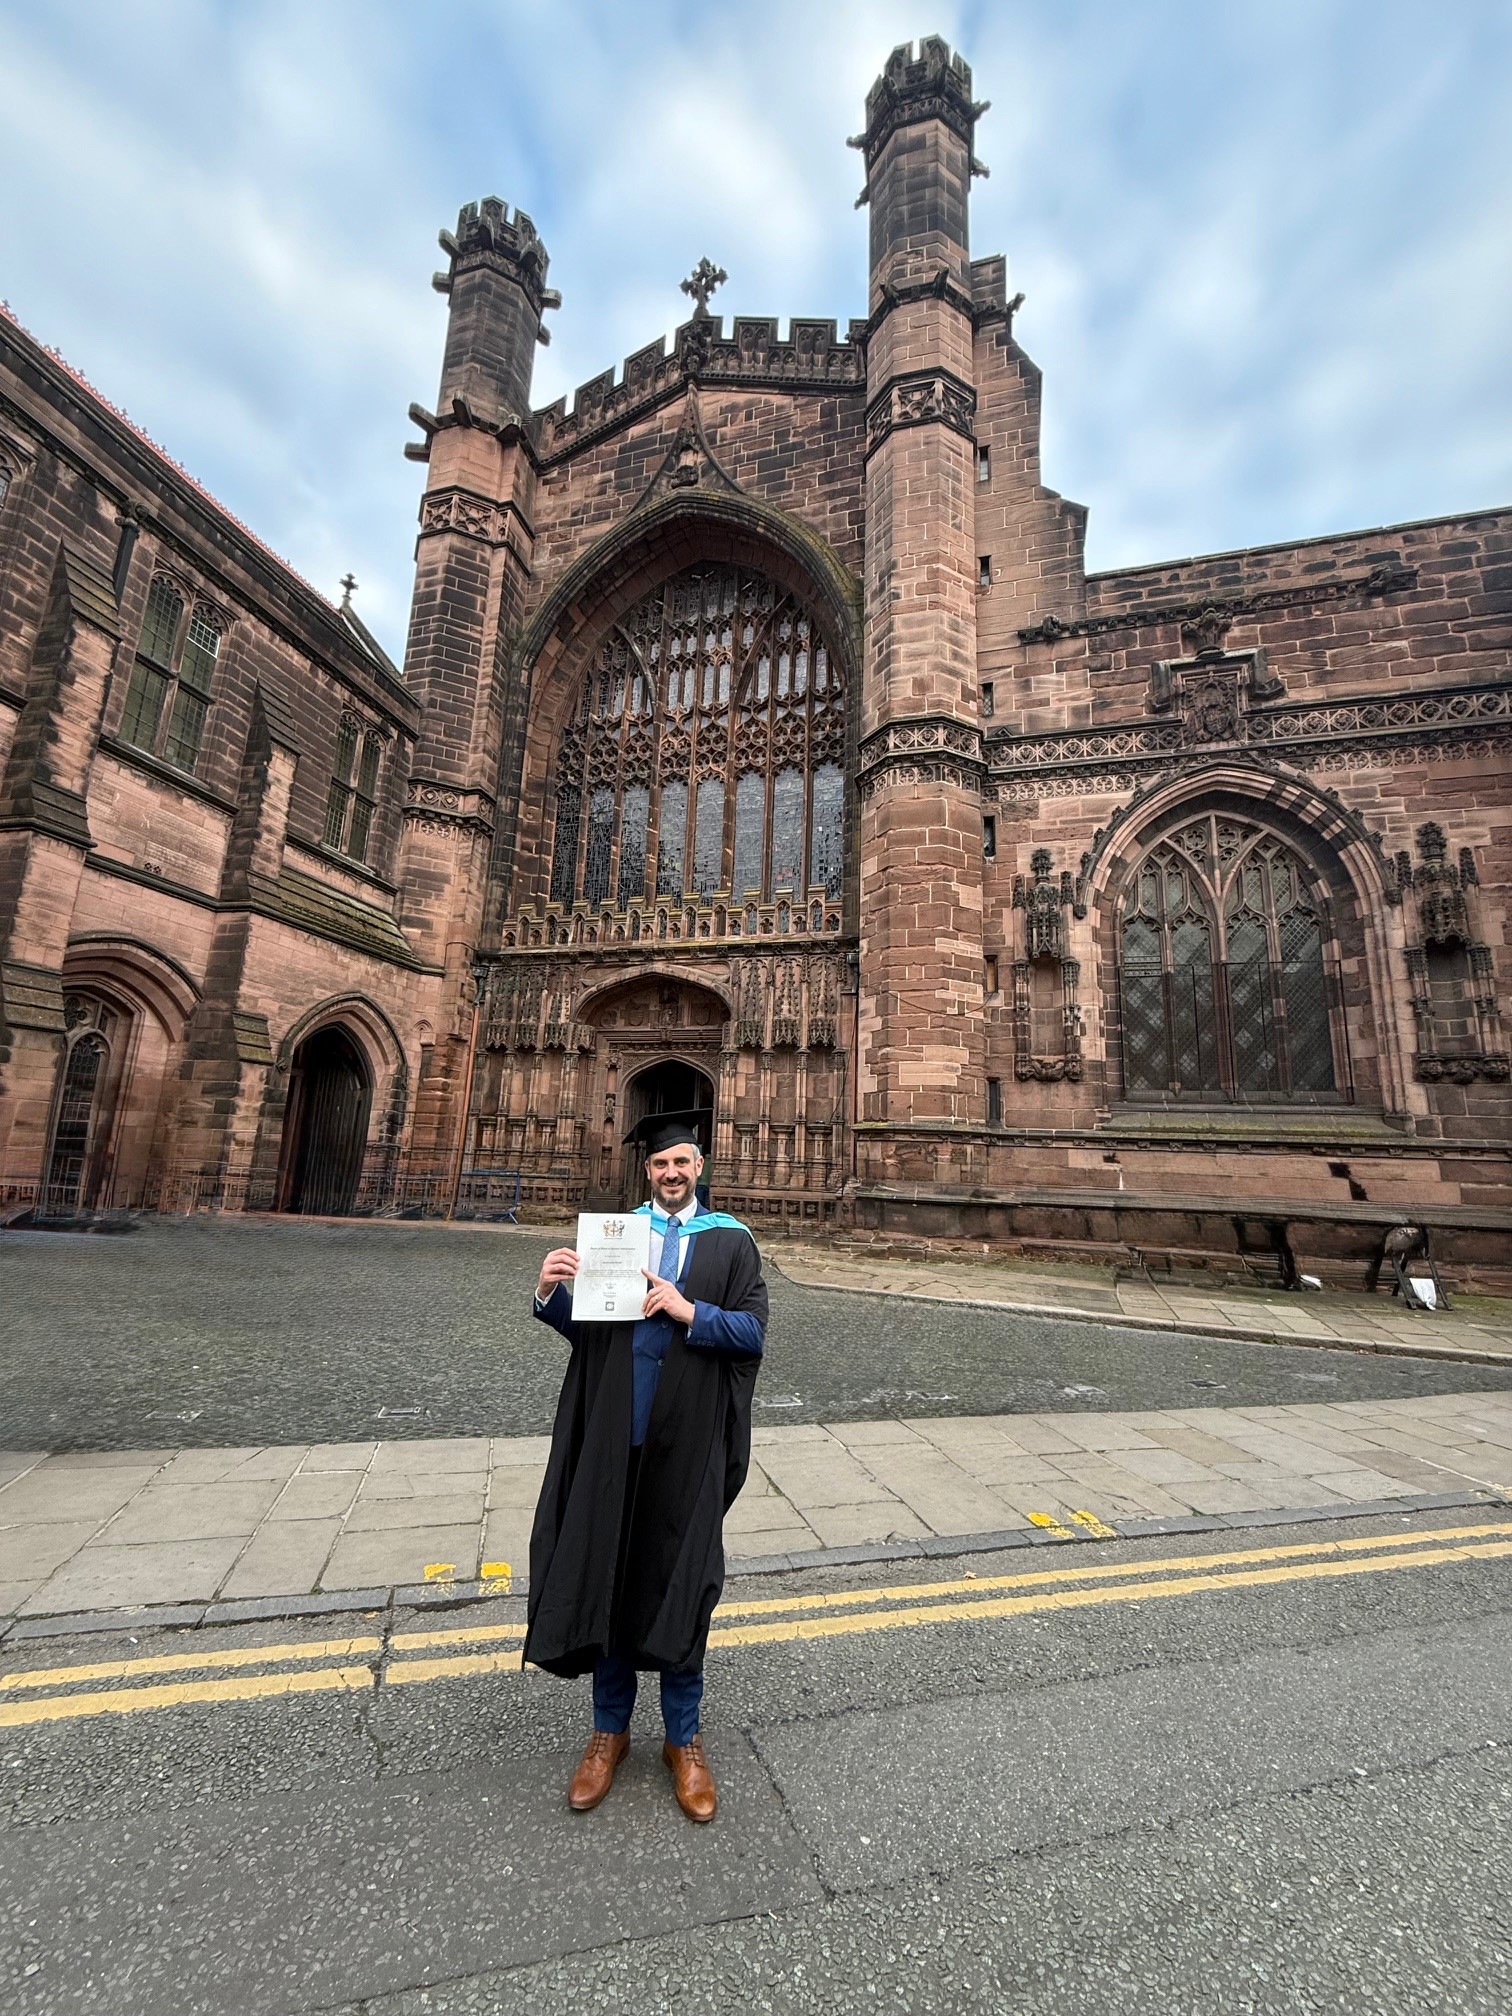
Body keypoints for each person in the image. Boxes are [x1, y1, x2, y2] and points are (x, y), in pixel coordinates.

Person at [525, 1120, 767, 1823]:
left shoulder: (731, 1239)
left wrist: (691, 1310)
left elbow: (753, 1330)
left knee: (681, 1582)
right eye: (659, 1162)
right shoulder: (615, 1234)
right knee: (608, 1575)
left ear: (700, 1165)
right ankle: (609, 1732)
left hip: (686, 1443)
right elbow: (587, 1330)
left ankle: (683, 1740)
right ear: (648, 1170)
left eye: (681, 1161)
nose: (670, 1172)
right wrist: (549, 1294)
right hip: (616, 1436)